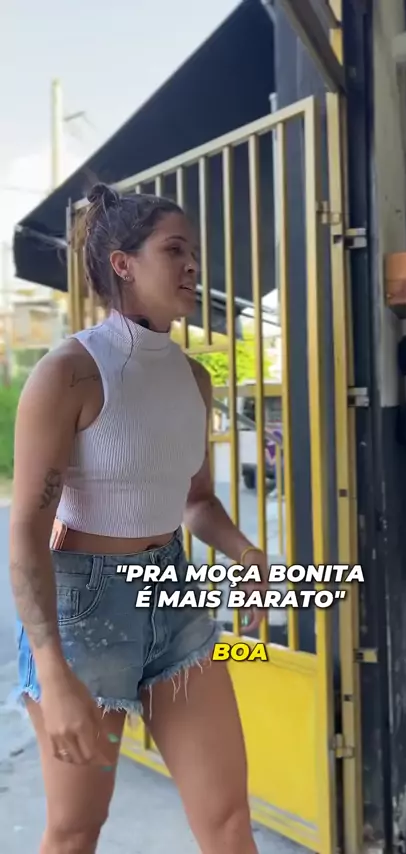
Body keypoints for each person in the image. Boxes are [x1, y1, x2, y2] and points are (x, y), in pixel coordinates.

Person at [9, 182, 268, 854]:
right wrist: (52, 670)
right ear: (122, 263)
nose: (193, 265)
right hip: (85, 609)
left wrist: (246, 553)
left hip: (174, 597)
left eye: (194, 252)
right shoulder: (69, 373)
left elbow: (196, 500)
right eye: (174, 250)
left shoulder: (195, 378)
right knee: (75, 830)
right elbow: (27, 528)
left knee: (228, 820)